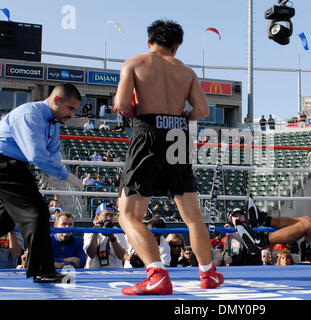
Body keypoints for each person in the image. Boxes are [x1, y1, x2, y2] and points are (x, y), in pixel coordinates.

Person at [113, 19, 223, 295]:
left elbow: (122, 104)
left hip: (147, 134)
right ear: (176, 47)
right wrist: (179, 117)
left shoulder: (135, 63)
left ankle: (157, 274)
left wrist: (134, 110)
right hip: (178, 134)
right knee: (193, 217)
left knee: (128, 214)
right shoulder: (186, 72)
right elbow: (201, 111)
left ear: (149, 42)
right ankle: (208, 274)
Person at [0, 83, 83, 283]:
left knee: (7, 218)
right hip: (4, 164)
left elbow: (52, 151)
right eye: (70, 108)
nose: (72, 114)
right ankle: (42, 270)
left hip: (15, 167)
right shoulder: (29, 115)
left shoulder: (53, 122)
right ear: (56, 100)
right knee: (37, 211)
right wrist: (65, 176)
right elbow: (36, 153)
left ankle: (42, 269)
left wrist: (49, 170)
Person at [83, 203, 128, 269]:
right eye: (106, 215)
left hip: (114, 272)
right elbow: (91, 254)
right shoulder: (90, 232)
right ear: (97, 217)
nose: (109, 218)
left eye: (111, 215)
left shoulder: (118, 232)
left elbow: (121, 256)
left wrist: (112, 237)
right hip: (94, 272)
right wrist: (95, 232)